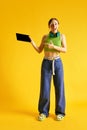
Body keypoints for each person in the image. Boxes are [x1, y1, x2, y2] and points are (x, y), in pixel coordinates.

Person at [30, 18, 67, 121]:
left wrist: (53, 46)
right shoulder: (45, 37)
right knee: (45, 88)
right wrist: (32, 42)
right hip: (46, 63)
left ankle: (60, 112)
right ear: (49, 26)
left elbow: (65, 49)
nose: (54, 26)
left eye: (55, 24)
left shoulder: (62, 36)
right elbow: (39, 50)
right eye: (51, 24)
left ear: (58, 25)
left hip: (57, 63)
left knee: (59, 87)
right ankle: (43, 112)